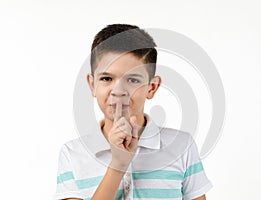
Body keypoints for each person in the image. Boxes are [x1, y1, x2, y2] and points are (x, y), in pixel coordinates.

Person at [54, 24, 212, 200]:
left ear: (152, 87)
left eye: (132, 80)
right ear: (92, 85)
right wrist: (118, 165)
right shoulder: (73, 153)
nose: (119, 90)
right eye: (107, 78)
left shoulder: (182, 146)